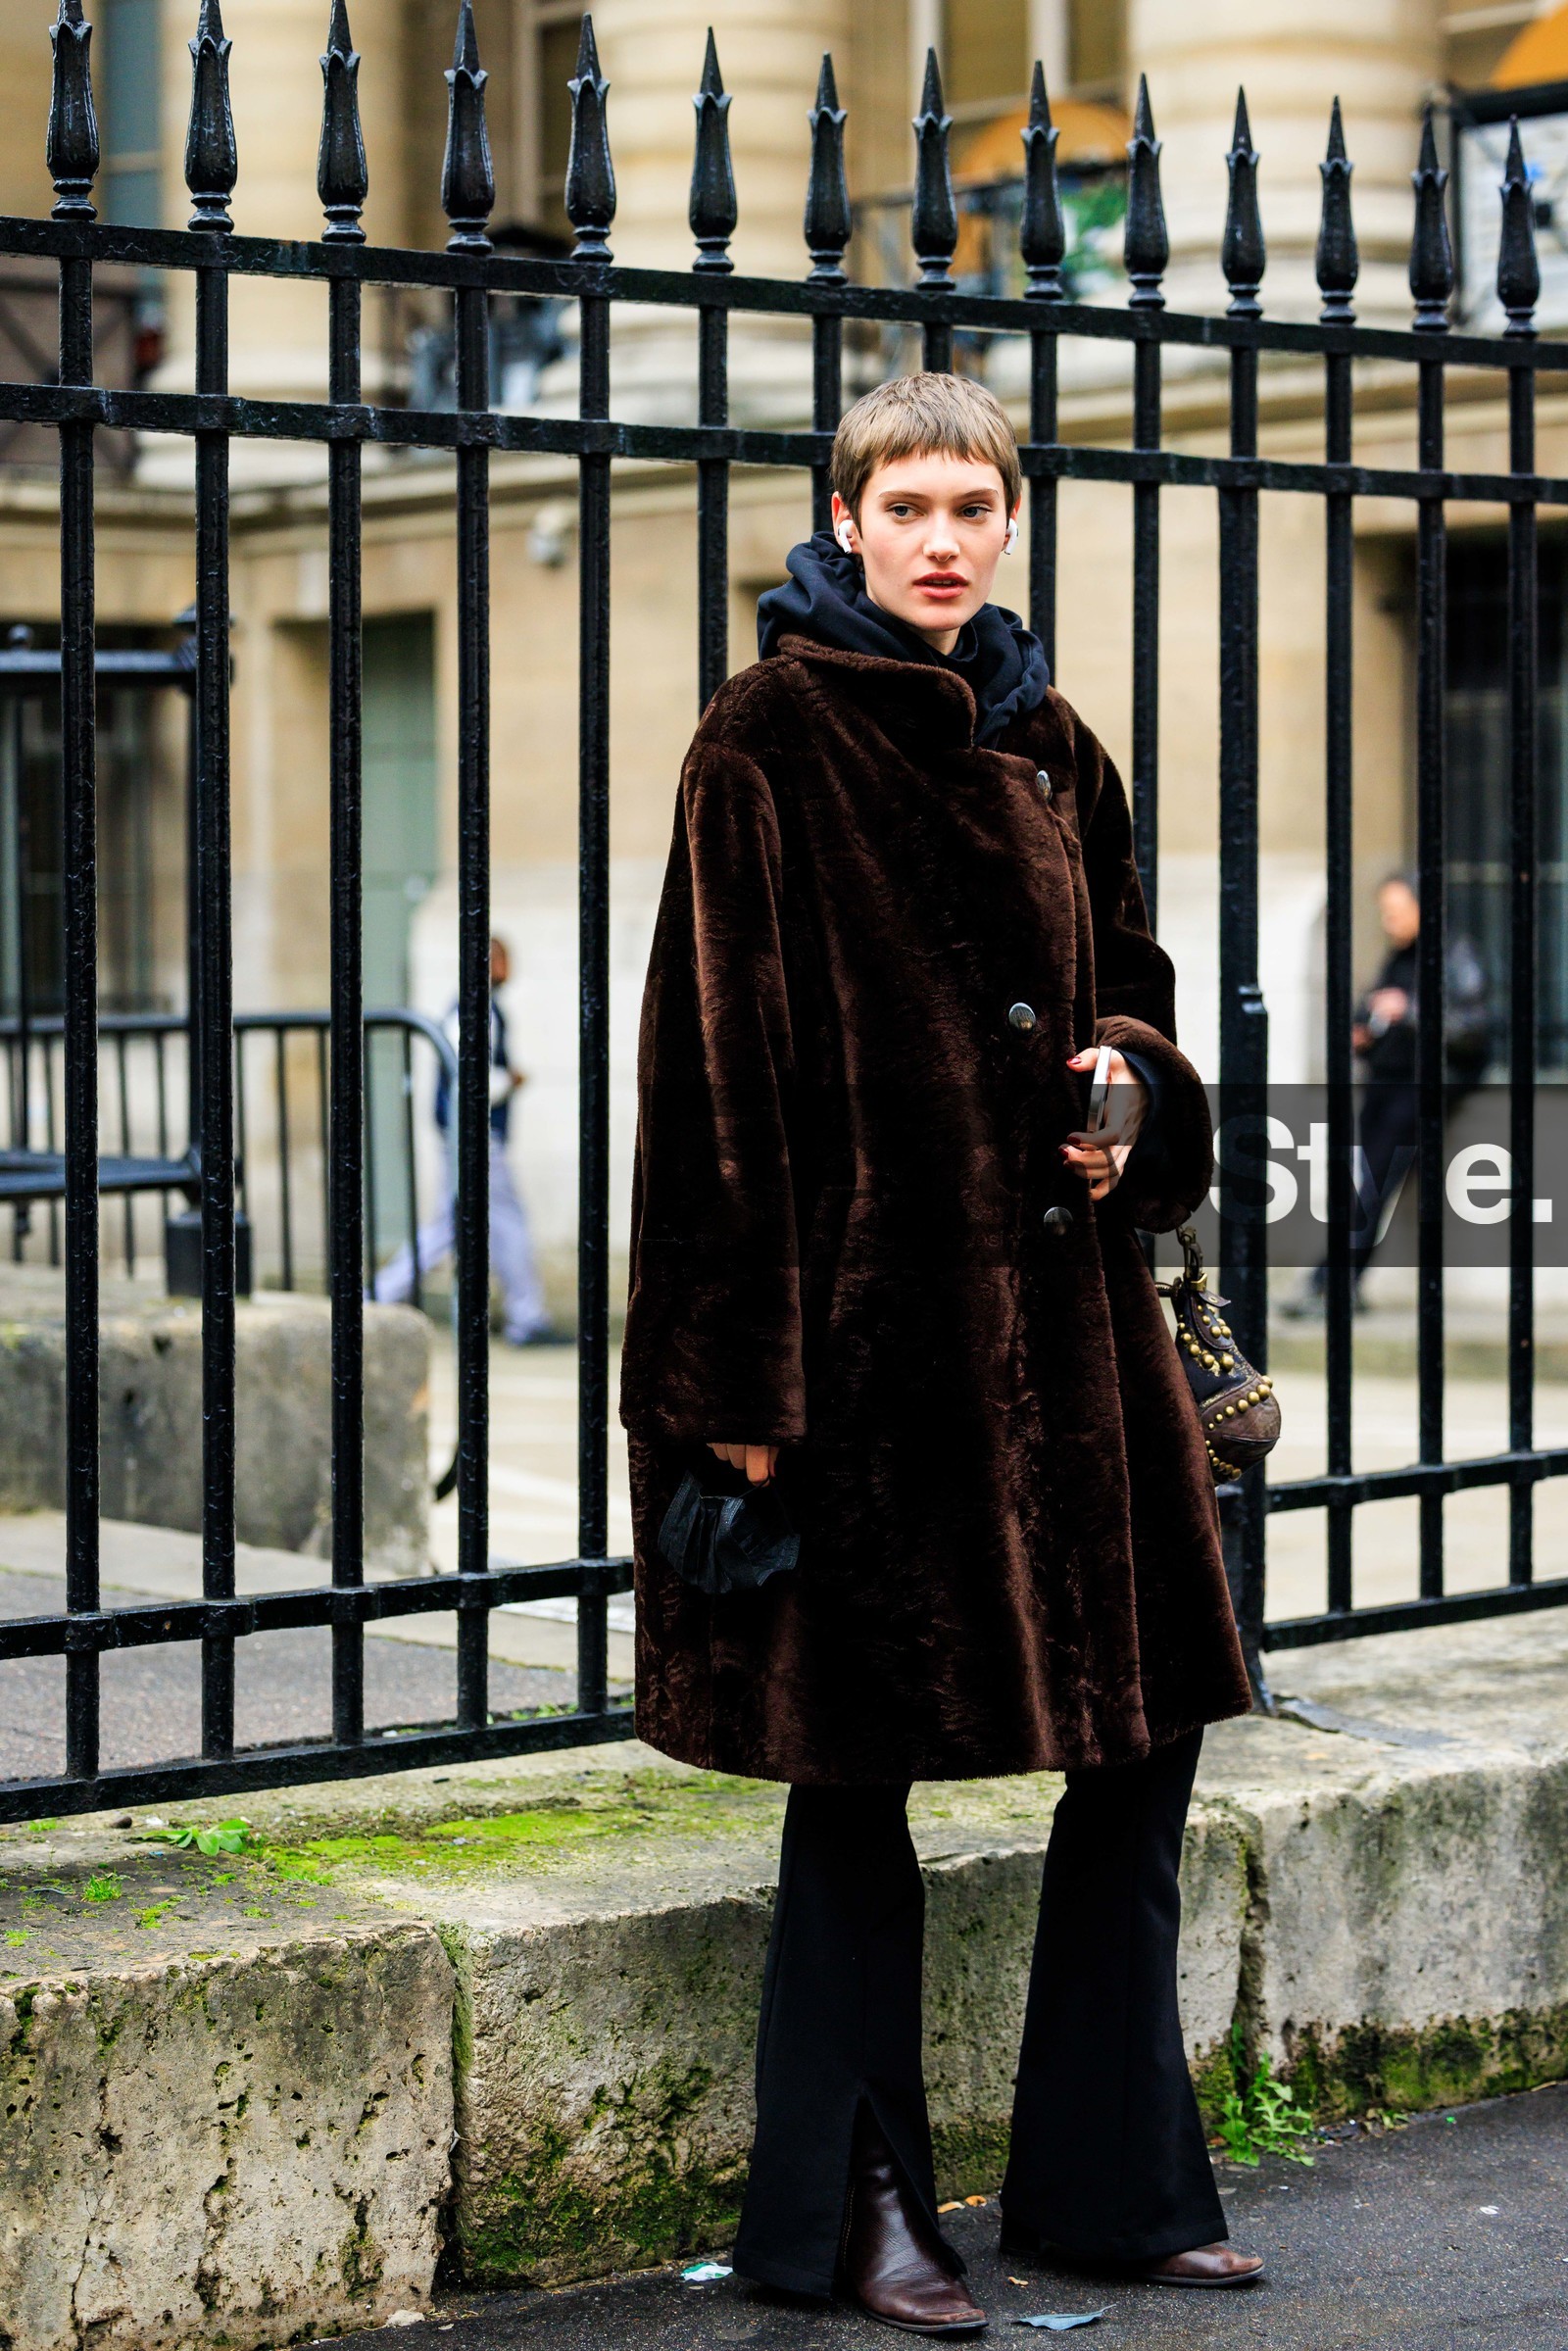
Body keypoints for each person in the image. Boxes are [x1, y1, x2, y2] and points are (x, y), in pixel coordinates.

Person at [618, 372, 1263, 2332]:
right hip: (864, 1346)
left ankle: (1107, 2179)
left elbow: (1131, 984)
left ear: (1004, 520)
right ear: (842, 511)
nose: (939, 538)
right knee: (852, 1774)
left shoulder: (1052, 732)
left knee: (1143, 1742)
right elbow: (704, 1077)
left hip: (1068, 1346)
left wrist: (1125, 1087)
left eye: (970, 504)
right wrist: (731, 1391)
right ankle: (855, 2206)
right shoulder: (761, 738)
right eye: (904, 501)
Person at [1288, 872, 1491, 1313]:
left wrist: (1408, 1011)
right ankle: (1335, 1282)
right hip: (1385, 1084)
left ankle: (1332, 1282)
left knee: (1373, 1185)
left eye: (1397, 911)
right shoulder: (1399, 957)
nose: (1389, 920)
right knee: (1368, 1185)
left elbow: (1471, 1029)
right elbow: (1375, 1007)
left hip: (1419, 1091)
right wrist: (1366, 1030)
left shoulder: (1453, 954)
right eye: (1386, 912)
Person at [373, 935, 557, 1346]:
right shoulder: (474, 1011)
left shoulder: (484, 1010)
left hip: (470, 1134)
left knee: (453, 1224)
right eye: (501, 958)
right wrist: (511, 1079)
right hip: (473, 1136)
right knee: (500, 1222)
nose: (509, 967)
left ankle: (377, 1296)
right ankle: (527, 1318)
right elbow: (468, 1079)